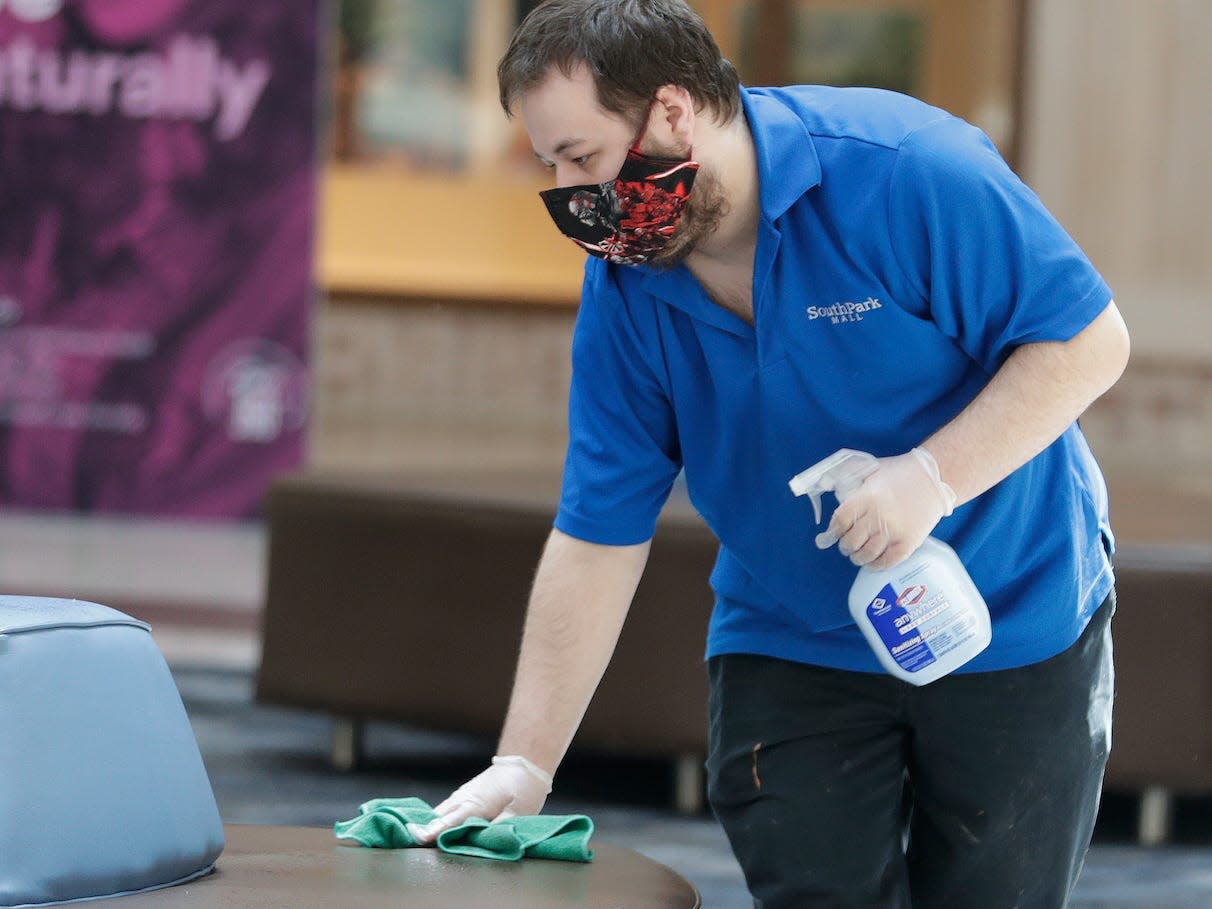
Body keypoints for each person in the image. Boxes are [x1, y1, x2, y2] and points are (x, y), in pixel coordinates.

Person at [412, 2, 1131, 906]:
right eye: (550, 164)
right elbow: (599, 529)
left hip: (1011, 612)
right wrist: (525, 762)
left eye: (582, 157)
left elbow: (1089, 342)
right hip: (791, 637)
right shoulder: (629, 284)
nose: (570, 194)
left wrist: (931, 477)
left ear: (672, 112)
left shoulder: (906, 171)